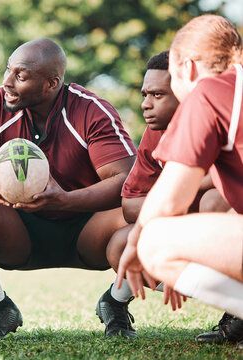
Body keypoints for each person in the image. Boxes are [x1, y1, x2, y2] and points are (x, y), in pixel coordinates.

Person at [0, 38, 136, 341]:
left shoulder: (90, 110)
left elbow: (126, 180)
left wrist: (64, 200)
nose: (6, 81)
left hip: (88, 230)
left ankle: (115, 303)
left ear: (51, 83)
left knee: (143, 211)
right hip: (20, 231)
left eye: (21, 75)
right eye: (8, 70)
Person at [117, 14, 243, 349]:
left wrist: (134, 246)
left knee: (155, 240)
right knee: (222, 206)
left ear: (185, 67)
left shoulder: (208, 92)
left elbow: (169, 199)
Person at [95, 50, 180, 339]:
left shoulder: (227, 122)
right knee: (122, 243)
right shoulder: (154, 133)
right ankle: (114, 302)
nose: (145, 104)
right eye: (145, 94)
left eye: (157, 95)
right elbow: (131, 204)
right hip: (188, 231)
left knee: (213, 201)